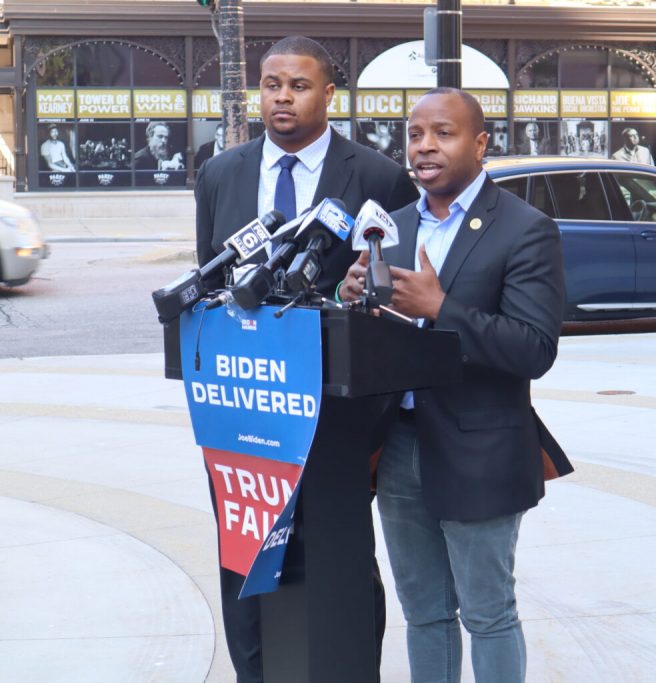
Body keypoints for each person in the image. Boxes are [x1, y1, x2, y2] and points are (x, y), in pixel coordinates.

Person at [194, 35, 419, 683]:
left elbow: (391, 295)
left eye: (297, 85)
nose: (282, 97)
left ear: (328, 93)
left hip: (340, 415)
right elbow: (207, 287)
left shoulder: (377, 177)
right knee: (247, 553)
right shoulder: (221, 174)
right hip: (242, 411)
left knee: (339, 557)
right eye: (271, 84)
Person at [340, 87, 573, 682]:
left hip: (481, 447)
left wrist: (442, 307)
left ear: (480, 143)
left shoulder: (524, 228)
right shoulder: (388, 228)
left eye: (442, 133)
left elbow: (533, 349)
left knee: (488, 614)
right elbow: (377, 347)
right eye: (415, 134)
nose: (424, 147)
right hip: (400, 447)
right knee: (424, 614)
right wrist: (352, 307)